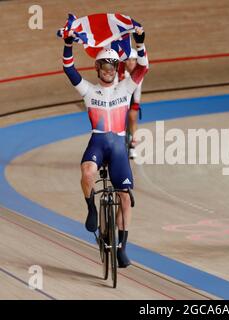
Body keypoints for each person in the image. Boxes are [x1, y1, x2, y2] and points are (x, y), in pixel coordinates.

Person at [62, 26, 148, 267]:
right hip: (98, 142)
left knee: (125, 198)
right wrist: (68, 44)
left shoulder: (125, 87)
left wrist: (140, 43)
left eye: (113, 67)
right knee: (87, 171)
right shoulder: (89, 90)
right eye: (105, 67)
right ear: (98, 69)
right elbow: (68, 69)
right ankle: (91, 209)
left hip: (118, 145)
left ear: (116, 69)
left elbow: (143, 67)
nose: (109, 71)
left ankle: (122, 247)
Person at [117, 48, 143, 159]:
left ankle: (132, 146)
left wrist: (135, 106)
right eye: (128, 60)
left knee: (132, 117)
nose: (131, 62)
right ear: (124, 61)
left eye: (134, 60)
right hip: (120, 95)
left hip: (132, 95)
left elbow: (137, 91)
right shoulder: (119, 72)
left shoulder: (139, 73)